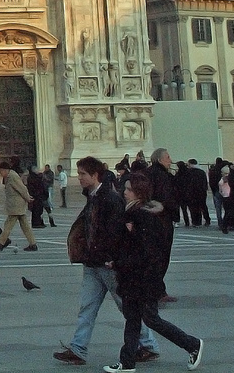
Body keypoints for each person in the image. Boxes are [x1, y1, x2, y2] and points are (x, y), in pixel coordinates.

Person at [54, 157, 158, 366]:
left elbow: (114, 233)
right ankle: (78, 348)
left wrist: (112, 258)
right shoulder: (94, 197)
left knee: (126, 306)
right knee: (87, 306)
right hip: (93, 264)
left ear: (95, 176)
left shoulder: (109, 198)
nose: (80, 177)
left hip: (107, 264)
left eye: (83, 174)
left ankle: (148, 344)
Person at [105, 171, 202, 373]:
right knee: (132, 319)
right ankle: (127, 362)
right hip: (133, 277)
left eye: (129, 189)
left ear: (139, 193)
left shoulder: (142, 217)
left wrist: (119, 263)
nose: (125, 192)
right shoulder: (132, 214)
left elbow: (146, 252)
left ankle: (192, 344)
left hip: (143, 279)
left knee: (151, 319)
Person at [0, 159, 37, 251]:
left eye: (0, 171)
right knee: (25, 226)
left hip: (16, 205)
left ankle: (1, 242)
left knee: (8, 224)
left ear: (5, 170)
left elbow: (22, 188)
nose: (0, 173)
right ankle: (33, 244)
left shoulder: (12, 176)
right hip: (16, 205)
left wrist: (27, 197)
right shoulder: (9, 176)